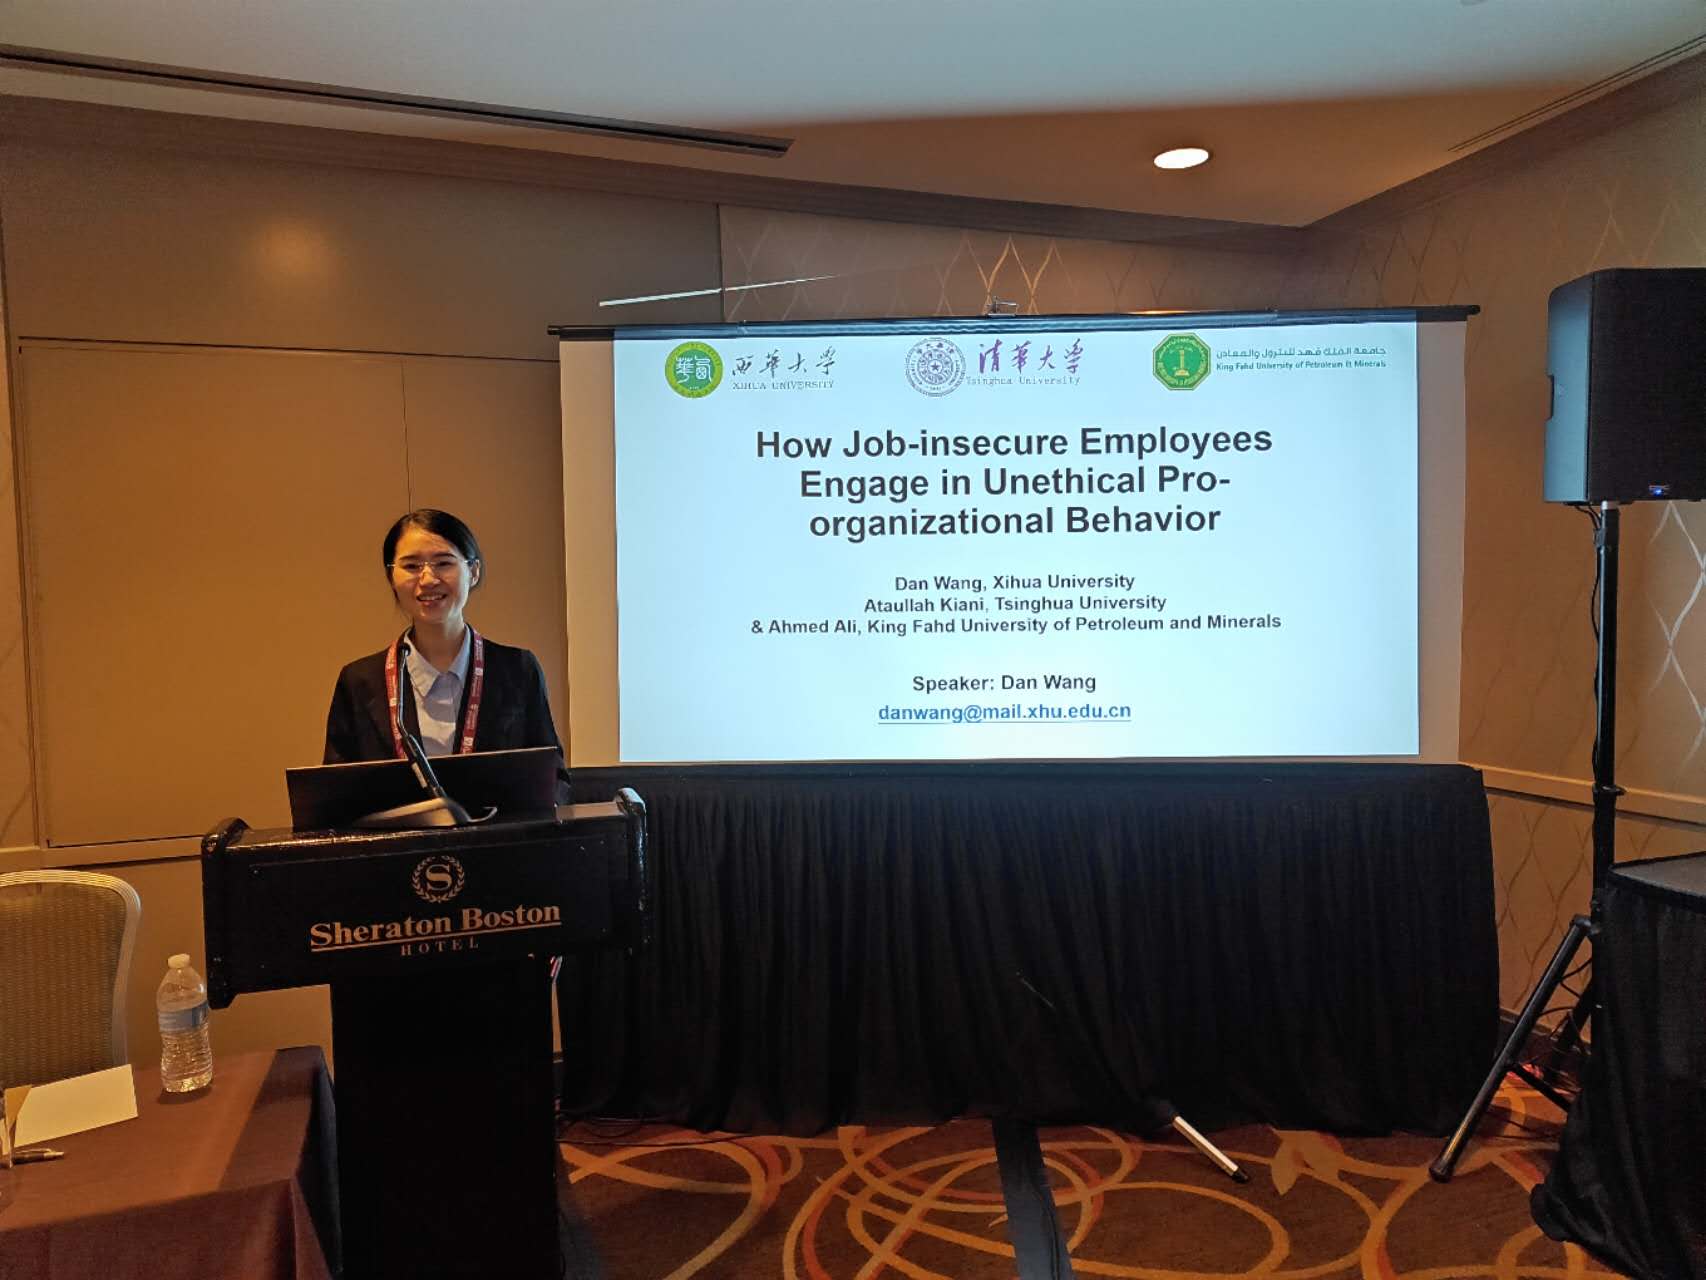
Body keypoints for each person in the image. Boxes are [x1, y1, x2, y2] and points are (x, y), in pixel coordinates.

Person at [323, 509, 569, 798]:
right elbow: (337, 794)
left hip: (497, 829)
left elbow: (554, 782)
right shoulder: (360, 682)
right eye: (411, 566)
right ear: (391, 576)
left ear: (473, 572)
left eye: (443, 563)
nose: (428, 579)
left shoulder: (517, 670)